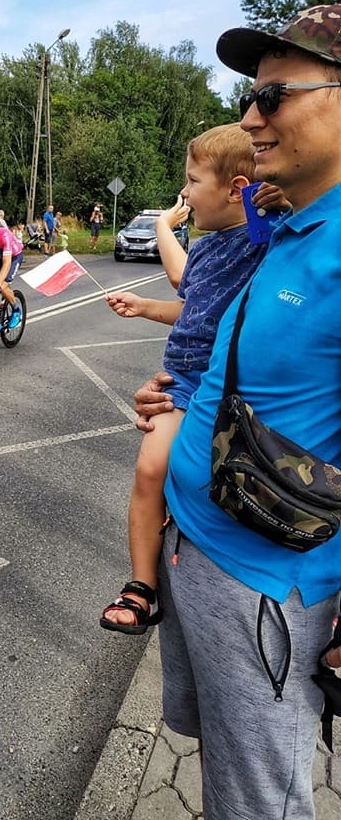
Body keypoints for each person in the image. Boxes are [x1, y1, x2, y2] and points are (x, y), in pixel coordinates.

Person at [132, 5, 341, 819]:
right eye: (250, 96)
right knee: (224, 766)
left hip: (268, 587)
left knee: (261, 801)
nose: (251, 118)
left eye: (275, 96)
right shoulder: (290, 226)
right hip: (198, 542)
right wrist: (185, 397)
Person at [98, 124, 284, 635]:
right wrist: (142, 306)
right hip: (181, 380)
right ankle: (141, 585)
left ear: (236, 189)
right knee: (151, 468)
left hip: (225, 382)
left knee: (200, 477)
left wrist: (263, 199)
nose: (184, 194)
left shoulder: (261, 237)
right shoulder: (203, 249)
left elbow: (287, 211)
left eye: (191, 181)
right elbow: (190, 308)